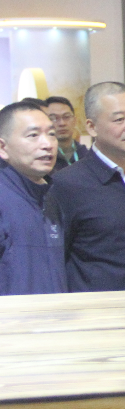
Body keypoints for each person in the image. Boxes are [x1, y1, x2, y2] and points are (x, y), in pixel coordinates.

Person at [51, 82, 125, 293]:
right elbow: (56, 258)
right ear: (92, 127)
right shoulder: (67, 184)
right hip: (98, 306)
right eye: (119, 119)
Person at [0, 101, 66, 295]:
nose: (47, 144)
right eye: (33, 135)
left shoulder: (53, 195)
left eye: (51, 134)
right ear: (2, 147)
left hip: (56, 312)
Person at [46, 96, 87, 171]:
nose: (62, 123)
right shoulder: (44, 158)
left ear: (74, 120)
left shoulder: (86, 155)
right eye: (54, 118)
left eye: (66, 117)